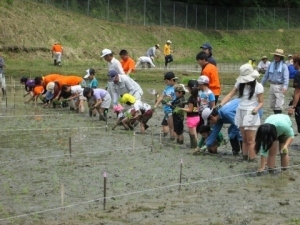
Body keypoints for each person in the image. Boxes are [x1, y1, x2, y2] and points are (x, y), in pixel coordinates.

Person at [219, 63, 264, 161]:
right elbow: (231, 94)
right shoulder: (240, 83)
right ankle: (244, 157)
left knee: (250, 140)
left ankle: (251, 159)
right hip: (241, 111)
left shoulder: (258, 86)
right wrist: (221, 104)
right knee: (243, 139)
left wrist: (256, 109)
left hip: (251, 113)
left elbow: (261, 102)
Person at [261, 49, 289, 114]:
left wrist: (285, 87)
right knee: (272, 105)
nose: (276, 57)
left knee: (278, 105)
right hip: (272, 85)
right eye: (275, 56)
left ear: (281, 57)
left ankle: (278, 117)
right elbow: (266, 76)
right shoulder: (271, 65)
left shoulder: (284, 66)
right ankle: (276, 115)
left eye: (278, 56)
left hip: (280, 86)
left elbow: (286, 78)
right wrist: (261, 85)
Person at [154, 72, 178, 140]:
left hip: (172, 109)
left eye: (166, 81)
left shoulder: (177, 88)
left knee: (172, 126)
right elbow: (162, 96)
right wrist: (156, 105)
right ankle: (171, 138)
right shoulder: (167, 87)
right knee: (170, 126)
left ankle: (173, 139)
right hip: (166, 109)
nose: (166, 83)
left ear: (171, 80)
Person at [181, 80, 200, 149]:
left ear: (189, 88)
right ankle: (194, 147)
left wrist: (181, 109)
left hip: (191, 119)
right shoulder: (198, 97)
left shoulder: (191, 98)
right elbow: (196, 108)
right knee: (195, 134)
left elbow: (190, 110)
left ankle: (197, 148)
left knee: (193, 136)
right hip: (197, 117)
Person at [288, 54, 300, 133]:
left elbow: (297, 91)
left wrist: (293, 106)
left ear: (296, 63)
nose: (292, 65)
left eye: (293, 62)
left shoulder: (298, 75)